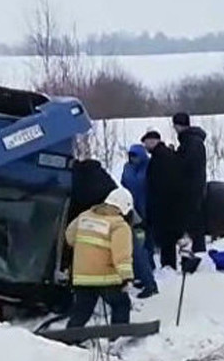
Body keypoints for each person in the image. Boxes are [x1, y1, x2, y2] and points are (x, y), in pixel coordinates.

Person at [65, 188, 135, 328]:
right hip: (106, 278)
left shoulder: (84, 217)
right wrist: (126, 278)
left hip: (82, 277)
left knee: (82, 310)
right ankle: (118, 335)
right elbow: (121, 255)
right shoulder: (119, 226)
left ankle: (70, 335)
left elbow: (69, 237)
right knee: (121, 304)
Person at [142, 131, 183, 270]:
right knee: (168, 239)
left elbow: (160, 184)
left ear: (152, 141)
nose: (145, 147)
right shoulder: (165, 155)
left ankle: (168, 267)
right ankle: (168, 266)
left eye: (146, 143)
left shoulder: (160, 158)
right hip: (170, 204)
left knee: (167, 239)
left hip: (164, 205)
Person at [121, 145, 158, 298]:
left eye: (135, 156)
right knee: (137, 243)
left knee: (145, 243)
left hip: (147, 206)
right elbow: (124, 184)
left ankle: (148, 269)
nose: (132, 158)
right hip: (131, 208)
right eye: (131, 156)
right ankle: (141, 273)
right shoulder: (127, 168)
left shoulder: (149, 166)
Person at [173, 112, 208, 253]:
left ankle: (198, 249)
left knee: (195, 220)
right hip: (196, 185)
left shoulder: (190, 142)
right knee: (195, 219)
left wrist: (174, 157)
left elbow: (186, 164)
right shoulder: (193, 140)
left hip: (192, 187)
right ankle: (198, 247)